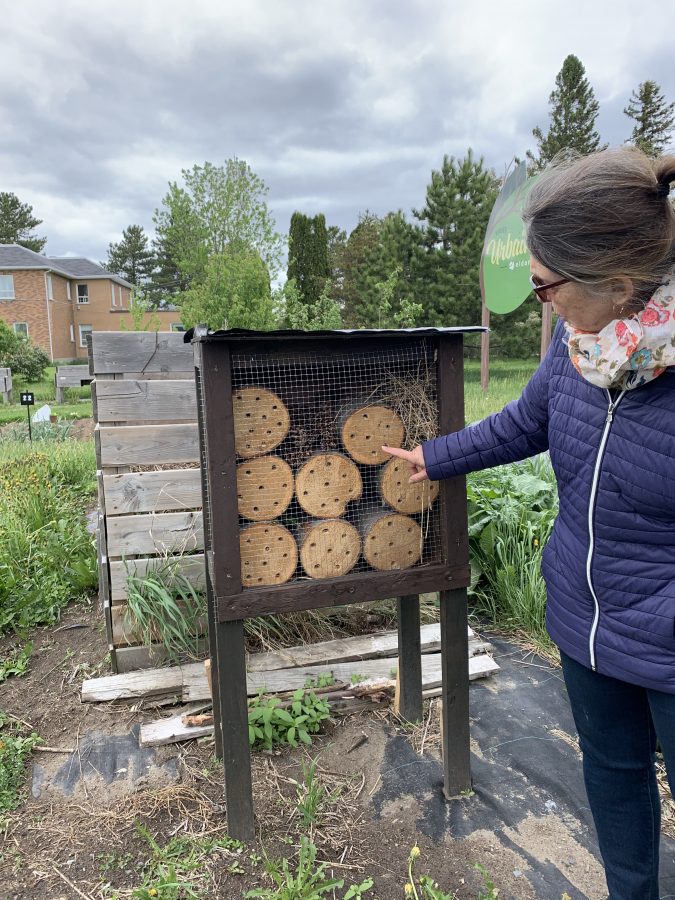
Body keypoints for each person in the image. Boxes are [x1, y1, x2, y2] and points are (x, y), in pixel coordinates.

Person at [384, 147, 675, 900]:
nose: (538, 299)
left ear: (617, 285)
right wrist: (435, 456)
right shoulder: (578, 345)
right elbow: (526, 422)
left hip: (669, 639)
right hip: (585, 621)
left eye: (545, 285)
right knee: (611, 779)